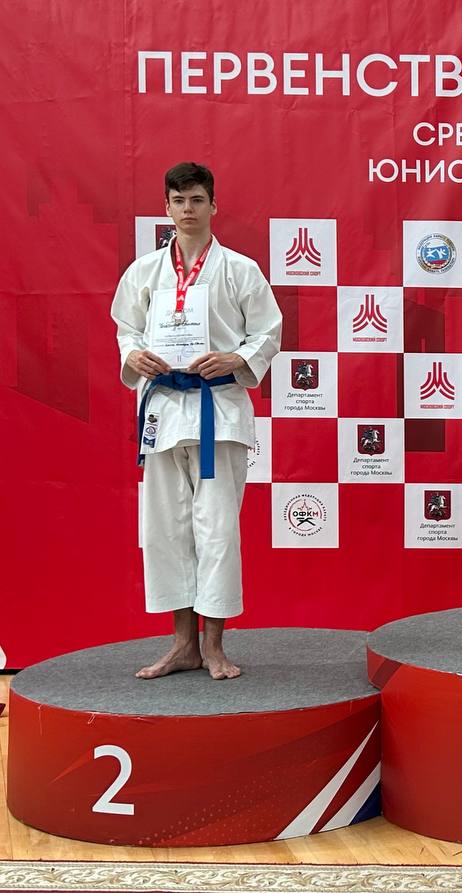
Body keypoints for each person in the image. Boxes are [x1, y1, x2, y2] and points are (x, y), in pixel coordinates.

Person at [110, 162, 281, 680]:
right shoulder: (144, 271)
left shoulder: (240, 269)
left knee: (217, 529)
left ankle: (214, 646)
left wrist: (235, 358)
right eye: (179, 201)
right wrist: (134, 354)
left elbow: (268, 332)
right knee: (166, 529)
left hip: (218, 410)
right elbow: (126, 328)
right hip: (163, 410)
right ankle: (182, 645)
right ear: (166, 208)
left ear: (213, 205)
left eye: (197, 200)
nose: (188, 209)